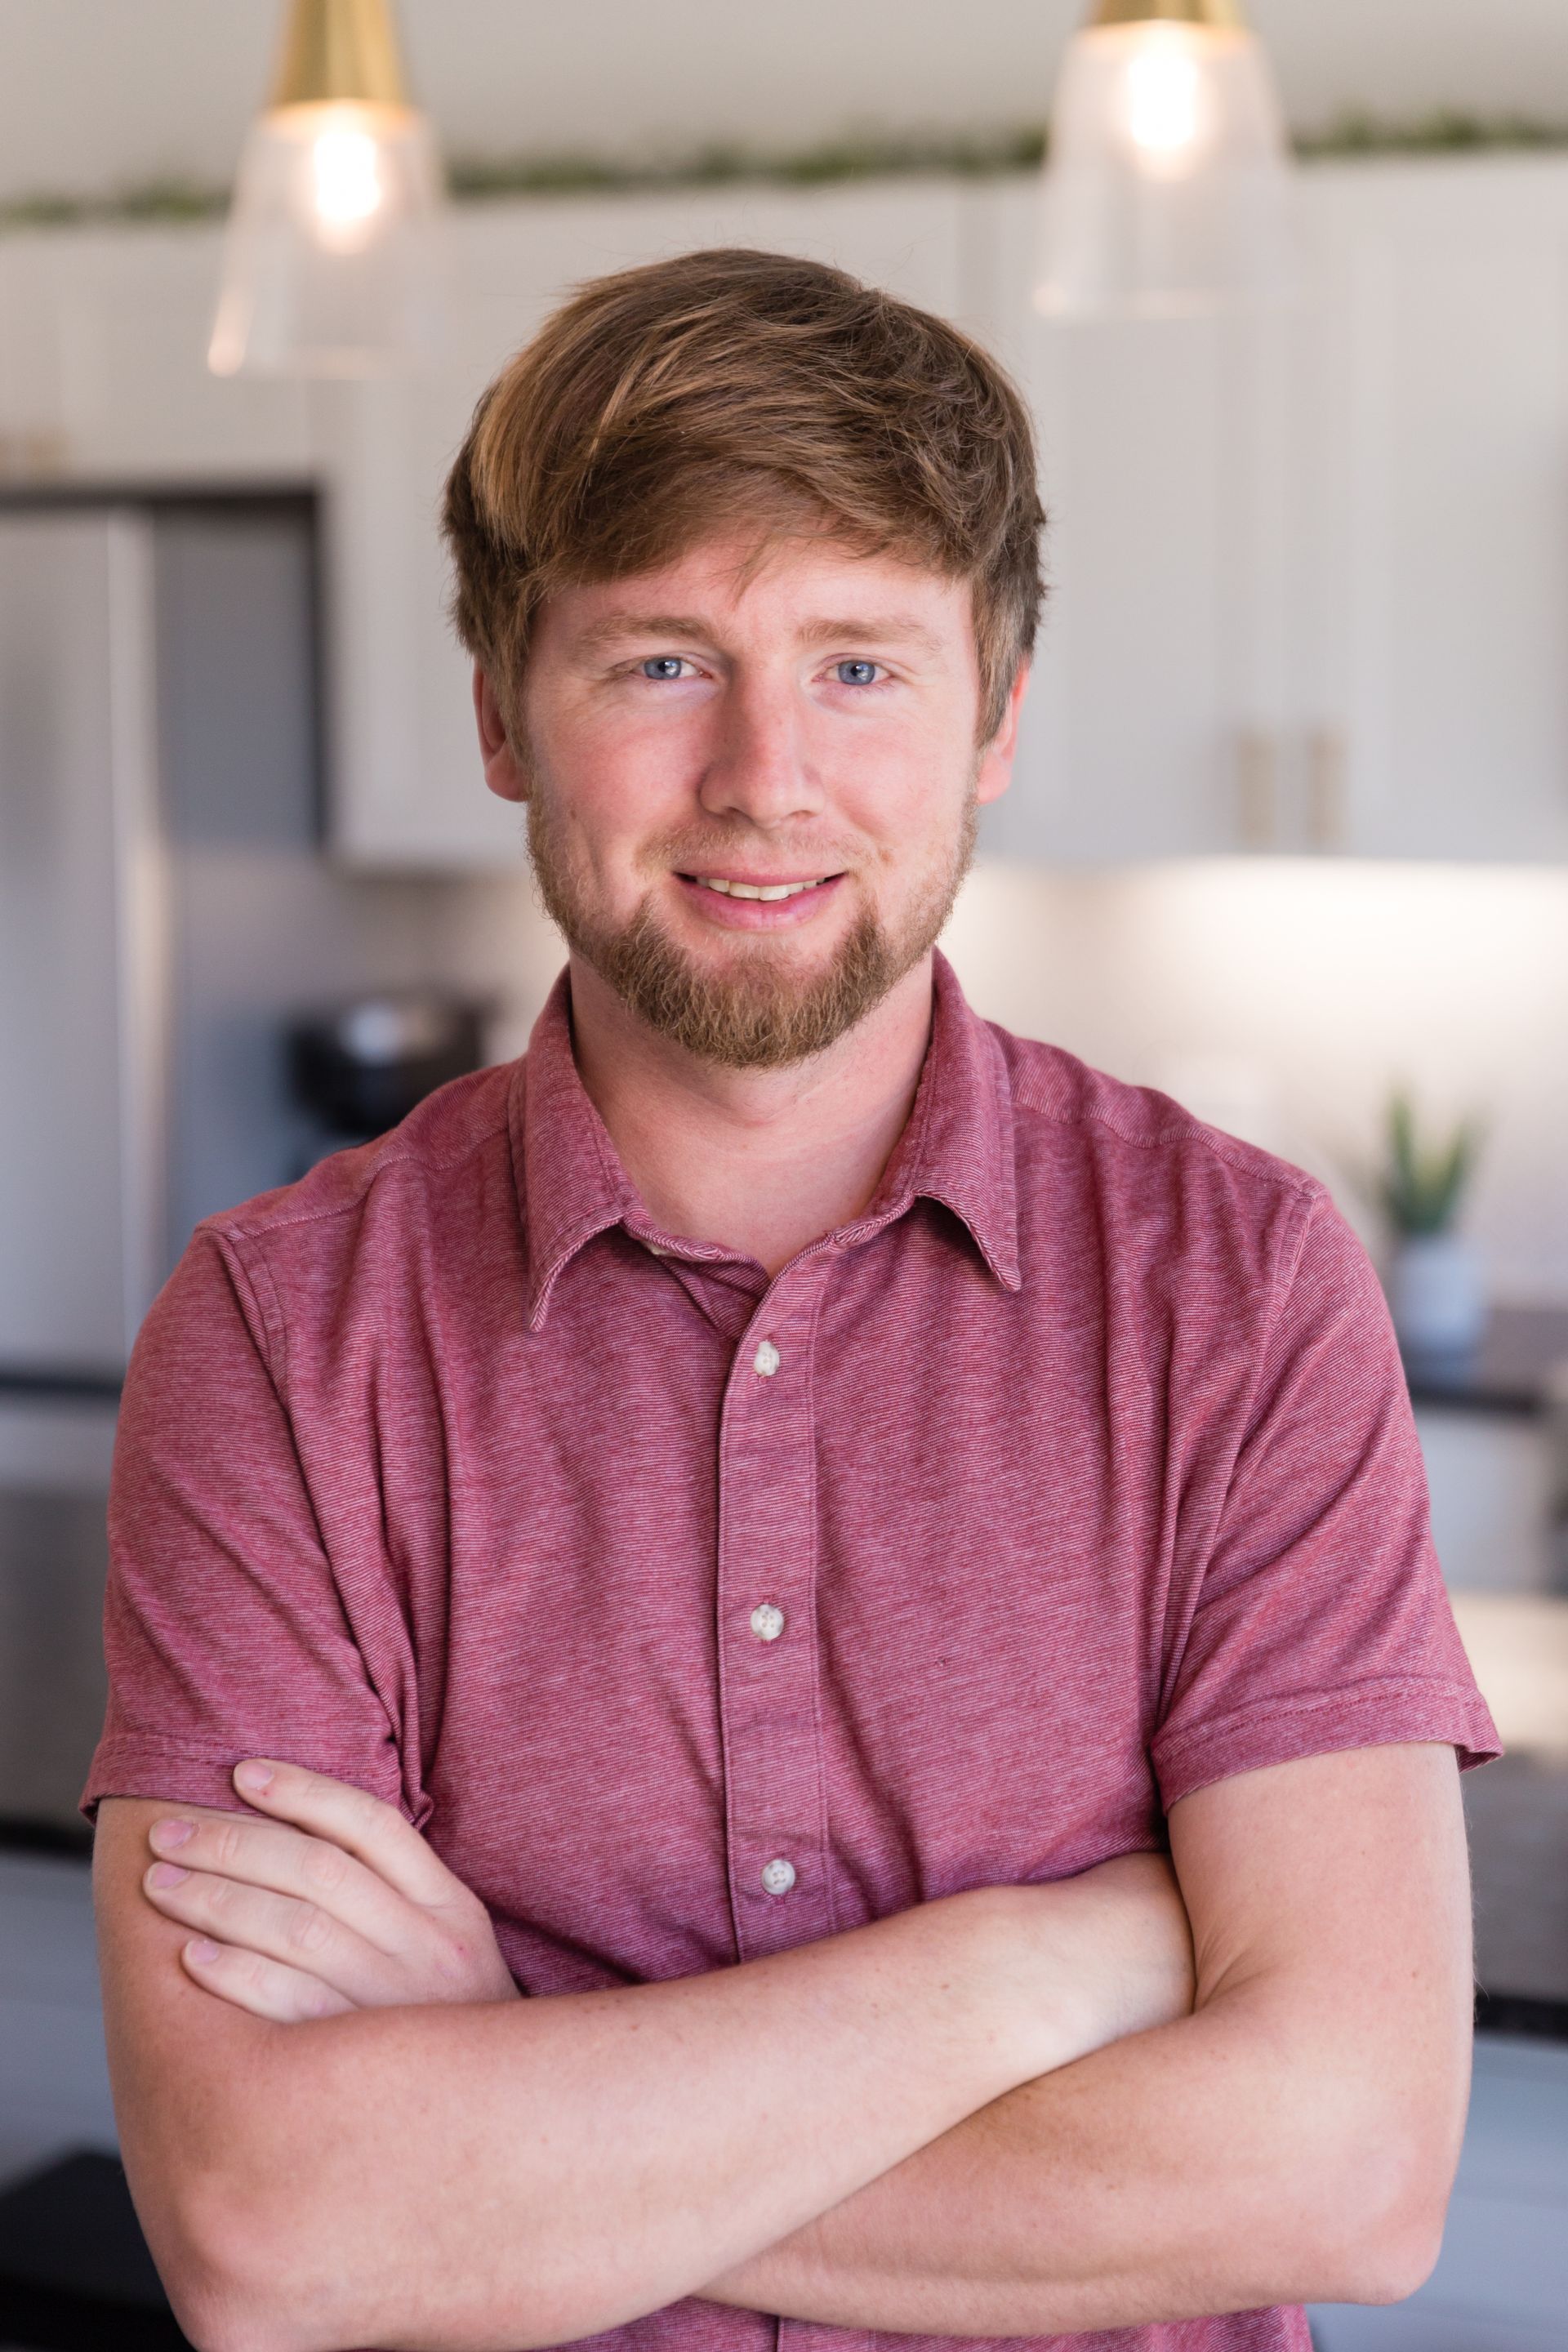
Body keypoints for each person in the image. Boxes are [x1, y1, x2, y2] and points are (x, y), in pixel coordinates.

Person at [87, 247, 1499, 2352]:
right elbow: (272, 2230)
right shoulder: (285, 1339)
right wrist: (1036, 1970)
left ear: (997, 719)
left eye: (861, 666)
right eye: (660, 663)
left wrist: (512, 2088)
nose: (765, 774)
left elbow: (1348, 2170)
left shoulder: (1243, 1286)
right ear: (498, 712)